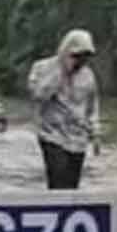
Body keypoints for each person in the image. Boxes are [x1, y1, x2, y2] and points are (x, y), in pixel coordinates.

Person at [27, 29, 102, 189]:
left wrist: (95, 133)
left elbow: (92, 107)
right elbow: (38, 96)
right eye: (77, 56)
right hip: (51, 135)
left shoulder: (88, 75)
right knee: (58, 181)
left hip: (78, 138)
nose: (81, 61)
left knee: (72, 186)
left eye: (85, 57)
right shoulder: (41, 68)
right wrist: (61, 72)